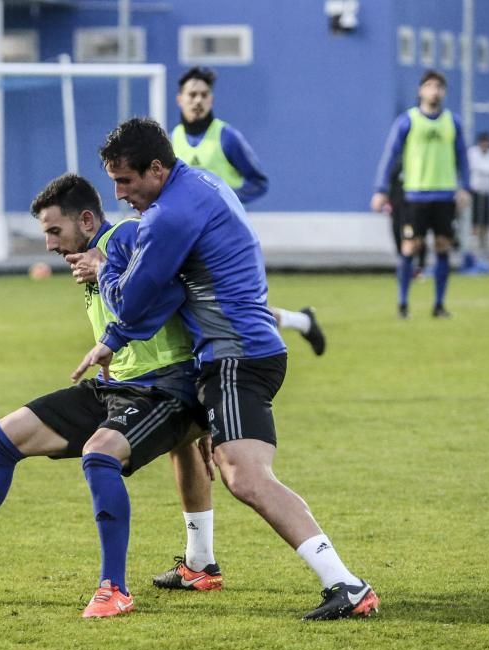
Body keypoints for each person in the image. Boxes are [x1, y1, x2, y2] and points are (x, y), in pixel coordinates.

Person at [71, 118, 379, 621]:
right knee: (186, 445)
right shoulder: (201, 182)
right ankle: (198, 562)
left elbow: (135, 299)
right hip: (236, 350)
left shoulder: (169, 215)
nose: (119, 193)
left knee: (245, 477)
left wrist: (106, 268)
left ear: (155, 169)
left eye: (125, 181)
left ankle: (345, 583)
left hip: (235, 357)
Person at [0, 173, 210, 619]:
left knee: (99, 457)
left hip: (166, 387)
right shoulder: (90, 256)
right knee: (1, 437)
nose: (48, 244)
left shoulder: (126, 233)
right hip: (115, 384)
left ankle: (114, 588)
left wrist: (107, 264)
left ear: (86, 220)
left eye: (54, 231)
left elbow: (175, 274)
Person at [171, 66, 326, 357]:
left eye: (204, 95)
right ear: (180, 99)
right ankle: (301, 321)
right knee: (207, 307)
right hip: (188, 239)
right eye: (192, 94)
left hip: (226, 240)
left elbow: (258, 181)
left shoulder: (226, 137)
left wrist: (226, 200)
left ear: (212, 100)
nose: (198, 100)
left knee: (231, 309)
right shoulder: (172, 140)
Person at [372, 69, 471, 319]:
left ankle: (439, 305)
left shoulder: (453, 122)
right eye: (429, 86)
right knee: (410, 247)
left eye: (439, 86)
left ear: (444, 92)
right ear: (420, 91)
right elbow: (390, 155)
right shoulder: (408, 120)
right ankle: (403, 305)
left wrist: (465, 187)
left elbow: (462, 157)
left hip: (444, 195)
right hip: (415, 195)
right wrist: (381, 189)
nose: (434, 91)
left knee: (442, 246)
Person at [467, 132, 489, 254]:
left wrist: (481, 169)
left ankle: (483, 243)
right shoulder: (472, 152)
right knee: (474, 216)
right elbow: (473, 166)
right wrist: (483, 169)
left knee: (485, 217)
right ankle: (473, 242)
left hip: (487, 190)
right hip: (475, 190)